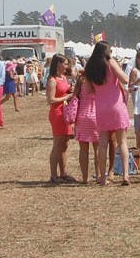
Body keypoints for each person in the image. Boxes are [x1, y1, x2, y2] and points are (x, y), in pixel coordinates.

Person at [85, 42, 131, 185]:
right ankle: (125, 175)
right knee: (122, 141)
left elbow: (88, 90)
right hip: (116, 105)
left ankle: (103, 177)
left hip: (101, 107)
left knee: (103, 143)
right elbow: (125, 79)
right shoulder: (110, 62)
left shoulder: (90, 66)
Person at [46, 54, 75, 183]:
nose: (67, 66)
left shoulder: (63, 78)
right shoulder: (52, 80)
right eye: (65, 64)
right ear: (58, 64)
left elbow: (65, 91)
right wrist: (66, 97)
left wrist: (70, 91)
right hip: (57, 113)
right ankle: (53, 175)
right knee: (57, 144)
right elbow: (51, 100)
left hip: (65, 113)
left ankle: (63, 173)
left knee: (65, 144)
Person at [72, 68, 100, 184]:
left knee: (83, 150)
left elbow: (75, 95)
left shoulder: (81, 79)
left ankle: (85, 178)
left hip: (82, 115)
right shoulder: (97, 80)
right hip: (96, 115)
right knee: (97, 149)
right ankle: (99, 175)